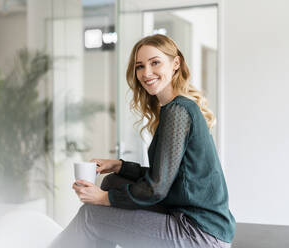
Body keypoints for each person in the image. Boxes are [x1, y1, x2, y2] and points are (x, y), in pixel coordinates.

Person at [49, 34, 235, 248]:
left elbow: (156, 188)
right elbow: (168, 178)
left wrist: (102, 198)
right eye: (140, 66)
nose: (146, 73)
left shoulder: (178, 111)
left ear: (176, 63)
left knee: (91, 216)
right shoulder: (174, 109)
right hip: (196, 221)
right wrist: (119, 166)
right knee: (112, 182)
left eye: (155, 62)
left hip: (199, 234)